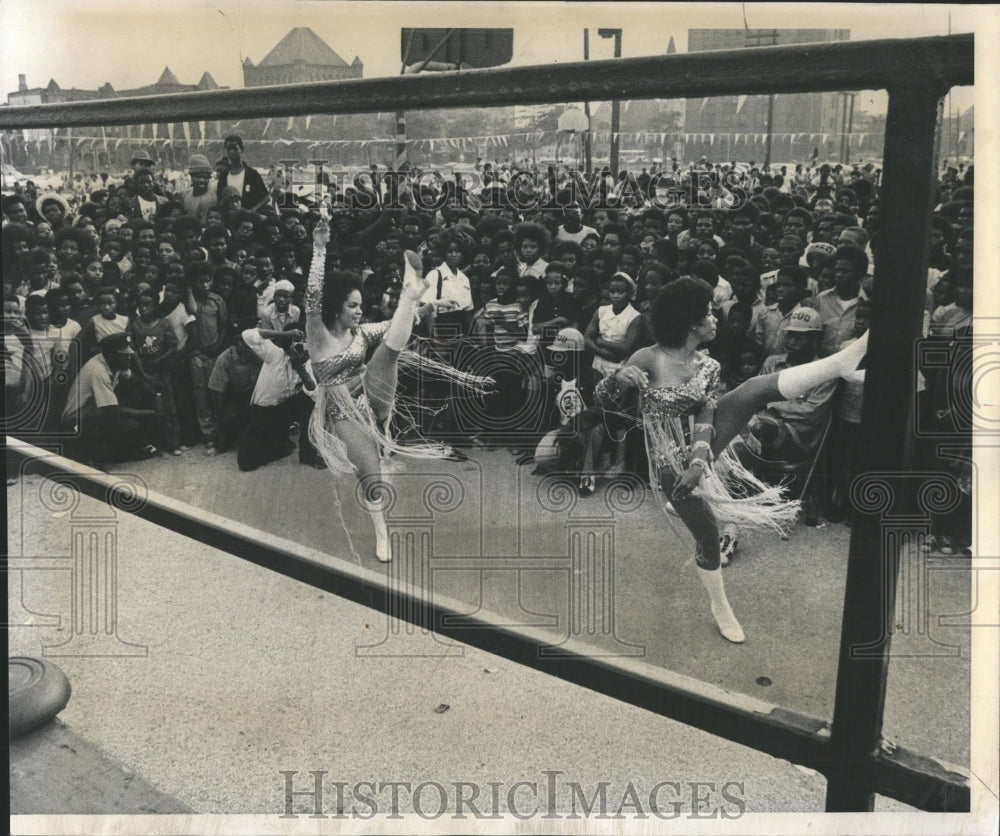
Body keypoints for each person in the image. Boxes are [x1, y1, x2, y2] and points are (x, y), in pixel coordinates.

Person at [597, 277, 868, 643]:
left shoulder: (708, 365)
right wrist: (618, 378)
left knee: (753, 390)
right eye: (708, 314)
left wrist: (699, 463)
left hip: (698, 443)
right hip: (666, 454)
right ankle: (720, 605)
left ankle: (840, 364)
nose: (715, 320)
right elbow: (602, 402)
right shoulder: (648, 357)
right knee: (708, 536)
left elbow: (707, 414)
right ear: (690, 324)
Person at [305, 215, 489, 562]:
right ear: (335, 308)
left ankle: (411, 292)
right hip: (339, 410)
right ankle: (380, 532)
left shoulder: (359, 333)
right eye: (353, 306)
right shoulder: (318, 333)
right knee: (371, 477)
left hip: (370, 394)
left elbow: (394, 326)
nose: (360, 312)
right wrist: (319, 248)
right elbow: (313, 295)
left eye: (361, 305)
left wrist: (427, 305)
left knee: (390, 350)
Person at [216, 135, 270, 212]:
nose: (231, 152)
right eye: (229, 149)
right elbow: (219, 198)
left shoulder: (252, 174)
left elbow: (266, 197)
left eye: (235, 148)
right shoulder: (224, 175)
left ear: (241, 149)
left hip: (247, 220)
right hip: (229, 219)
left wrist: (252, 211)